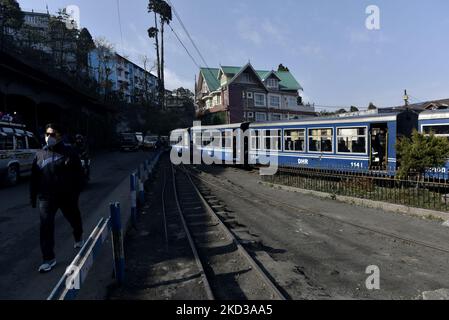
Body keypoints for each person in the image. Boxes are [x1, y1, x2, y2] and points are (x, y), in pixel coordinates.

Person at [30, 123, 84, 273]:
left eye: (52, 134)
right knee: (45, 227)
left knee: (74, 218)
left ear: (60, 136)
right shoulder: (39, 154)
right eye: (47, 134)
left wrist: (76, 192)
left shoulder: (70, 152)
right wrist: (33, 197)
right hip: (46, 199)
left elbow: (79, 175)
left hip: (67, 196)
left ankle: (78, 237)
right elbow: (34, 178)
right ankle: (48, 259)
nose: (49, 137)